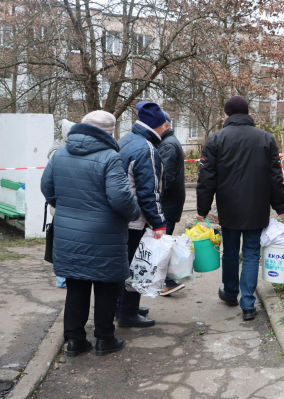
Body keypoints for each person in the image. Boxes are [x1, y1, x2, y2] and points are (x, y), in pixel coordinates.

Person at [41, 110, 141, 357]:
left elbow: (47, 188)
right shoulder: (110, 156)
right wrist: (134, 212)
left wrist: (66, 206)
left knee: (76, 287)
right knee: (107, 287)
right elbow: (120, 198)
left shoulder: (60, 153)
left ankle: (75, 341)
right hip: (104, 236)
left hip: (68, 235)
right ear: (110, 131)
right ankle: (104, 339)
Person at [196, 96, 284, 321]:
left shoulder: (216, 139)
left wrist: (202, 208)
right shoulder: (266, 138)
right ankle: (248, 304)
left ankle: (229, 293)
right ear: (248, 113)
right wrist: (281, 206)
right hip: (257, 207)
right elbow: (275, 177)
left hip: (228, 206)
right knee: (250, 253)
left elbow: (206, 178)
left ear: (227, 114)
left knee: (229, 251)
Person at [116, 101, 167, 327]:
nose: (166, 129)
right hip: (135, 219)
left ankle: (125, 306)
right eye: (164, 125)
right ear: (155, 125)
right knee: (136, 265)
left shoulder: (126, 139)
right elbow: (149, 192)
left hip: (120, 216)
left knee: (125, 265)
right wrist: (158, 223)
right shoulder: (146, 149)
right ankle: (127, 313)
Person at [157, 111, 186, 296]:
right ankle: (165, 281)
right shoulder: (168, 142)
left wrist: (156, 199)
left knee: (162, 244)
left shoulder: (167, 145)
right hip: (170, 203)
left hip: (167, 204)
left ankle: (167, 282)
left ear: (166, 126)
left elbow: (165, 178)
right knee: (163, 243)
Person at [46, 119, 75, 289]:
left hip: (63, 204)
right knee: (62, 244)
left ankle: (65, 276)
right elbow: (49, 184)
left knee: (67, 242)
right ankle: (62, 278)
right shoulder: (59, 152)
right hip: (61, 206)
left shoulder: (59, 151)